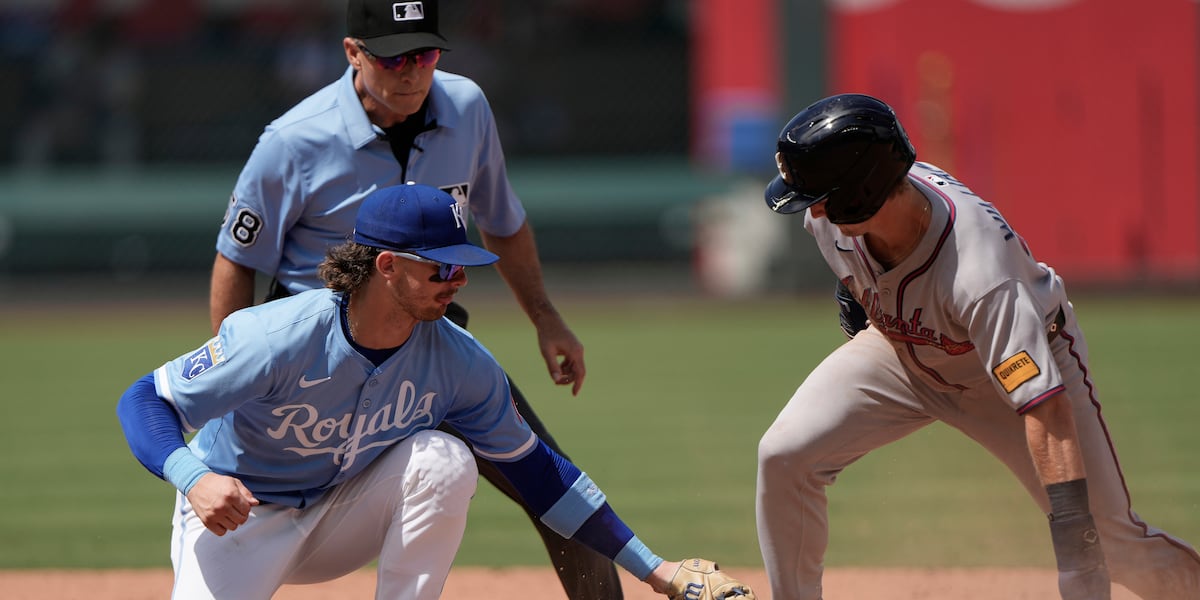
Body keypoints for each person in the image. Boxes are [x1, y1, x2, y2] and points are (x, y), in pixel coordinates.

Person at [116, 184, 755, 600]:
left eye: (463, 266)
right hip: (240, 516)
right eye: (441, 266)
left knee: (444, 459)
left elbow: (539, 472)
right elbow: (145, 398)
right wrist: (191, 477)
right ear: (386, 265)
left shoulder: (457, 360)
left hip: (342, 512)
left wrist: (656, 568)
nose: (457, 281)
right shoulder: (277, 334)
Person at [206, 1, 621, 597]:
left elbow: (500, 221)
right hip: (316, 364)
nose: (412, 72)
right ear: (353, 52)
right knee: (263, 514)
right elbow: (238, 262)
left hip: (433, 354)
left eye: (425, 55)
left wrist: (546, 318)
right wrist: (234, 376)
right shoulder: (294, 141)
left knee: (555, 492)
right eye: (394, 56)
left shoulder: (467, 108)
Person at [755, 93, 1200, 600]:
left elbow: (1045, 411)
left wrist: (1077, 554)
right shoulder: (833, 218)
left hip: (1013, 369)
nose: (810, 208)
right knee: (784, 455)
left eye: (819, 194)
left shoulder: (980, 272)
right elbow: (858, 276)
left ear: (862, 192)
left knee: (1116, 549)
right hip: (904, 352)